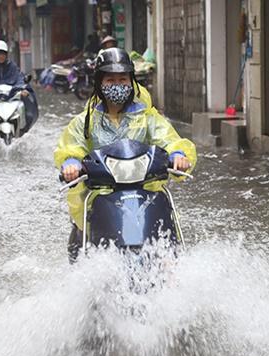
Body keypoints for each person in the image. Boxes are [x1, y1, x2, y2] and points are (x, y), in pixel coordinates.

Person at [54, 48, 197, 262]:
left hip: (146, 192)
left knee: (169, 249)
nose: (117, 85)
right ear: (100, 84)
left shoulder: (148, 117)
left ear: (132, 82)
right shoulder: (86, 121)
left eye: (122, 79)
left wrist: (178, 155)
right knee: (81, 239)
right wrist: (72, 164)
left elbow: (169, 139)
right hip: (101, 194)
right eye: (110, 80)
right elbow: (71, 147)